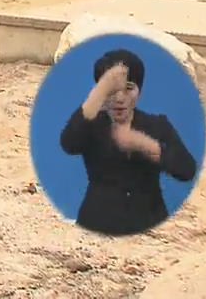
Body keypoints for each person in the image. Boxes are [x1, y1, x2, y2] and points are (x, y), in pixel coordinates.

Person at [59, 49, 197, 236]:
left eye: (129, 88)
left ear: (139, 91)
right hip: (98, 223)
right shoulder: (92, 124)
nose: (119, 98)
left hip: (150, 223)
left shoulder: (157, 125)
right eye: (112, 90)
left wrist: (146, 145)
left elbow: (187, 170)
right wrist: (100, 91)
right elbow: (68, 143)